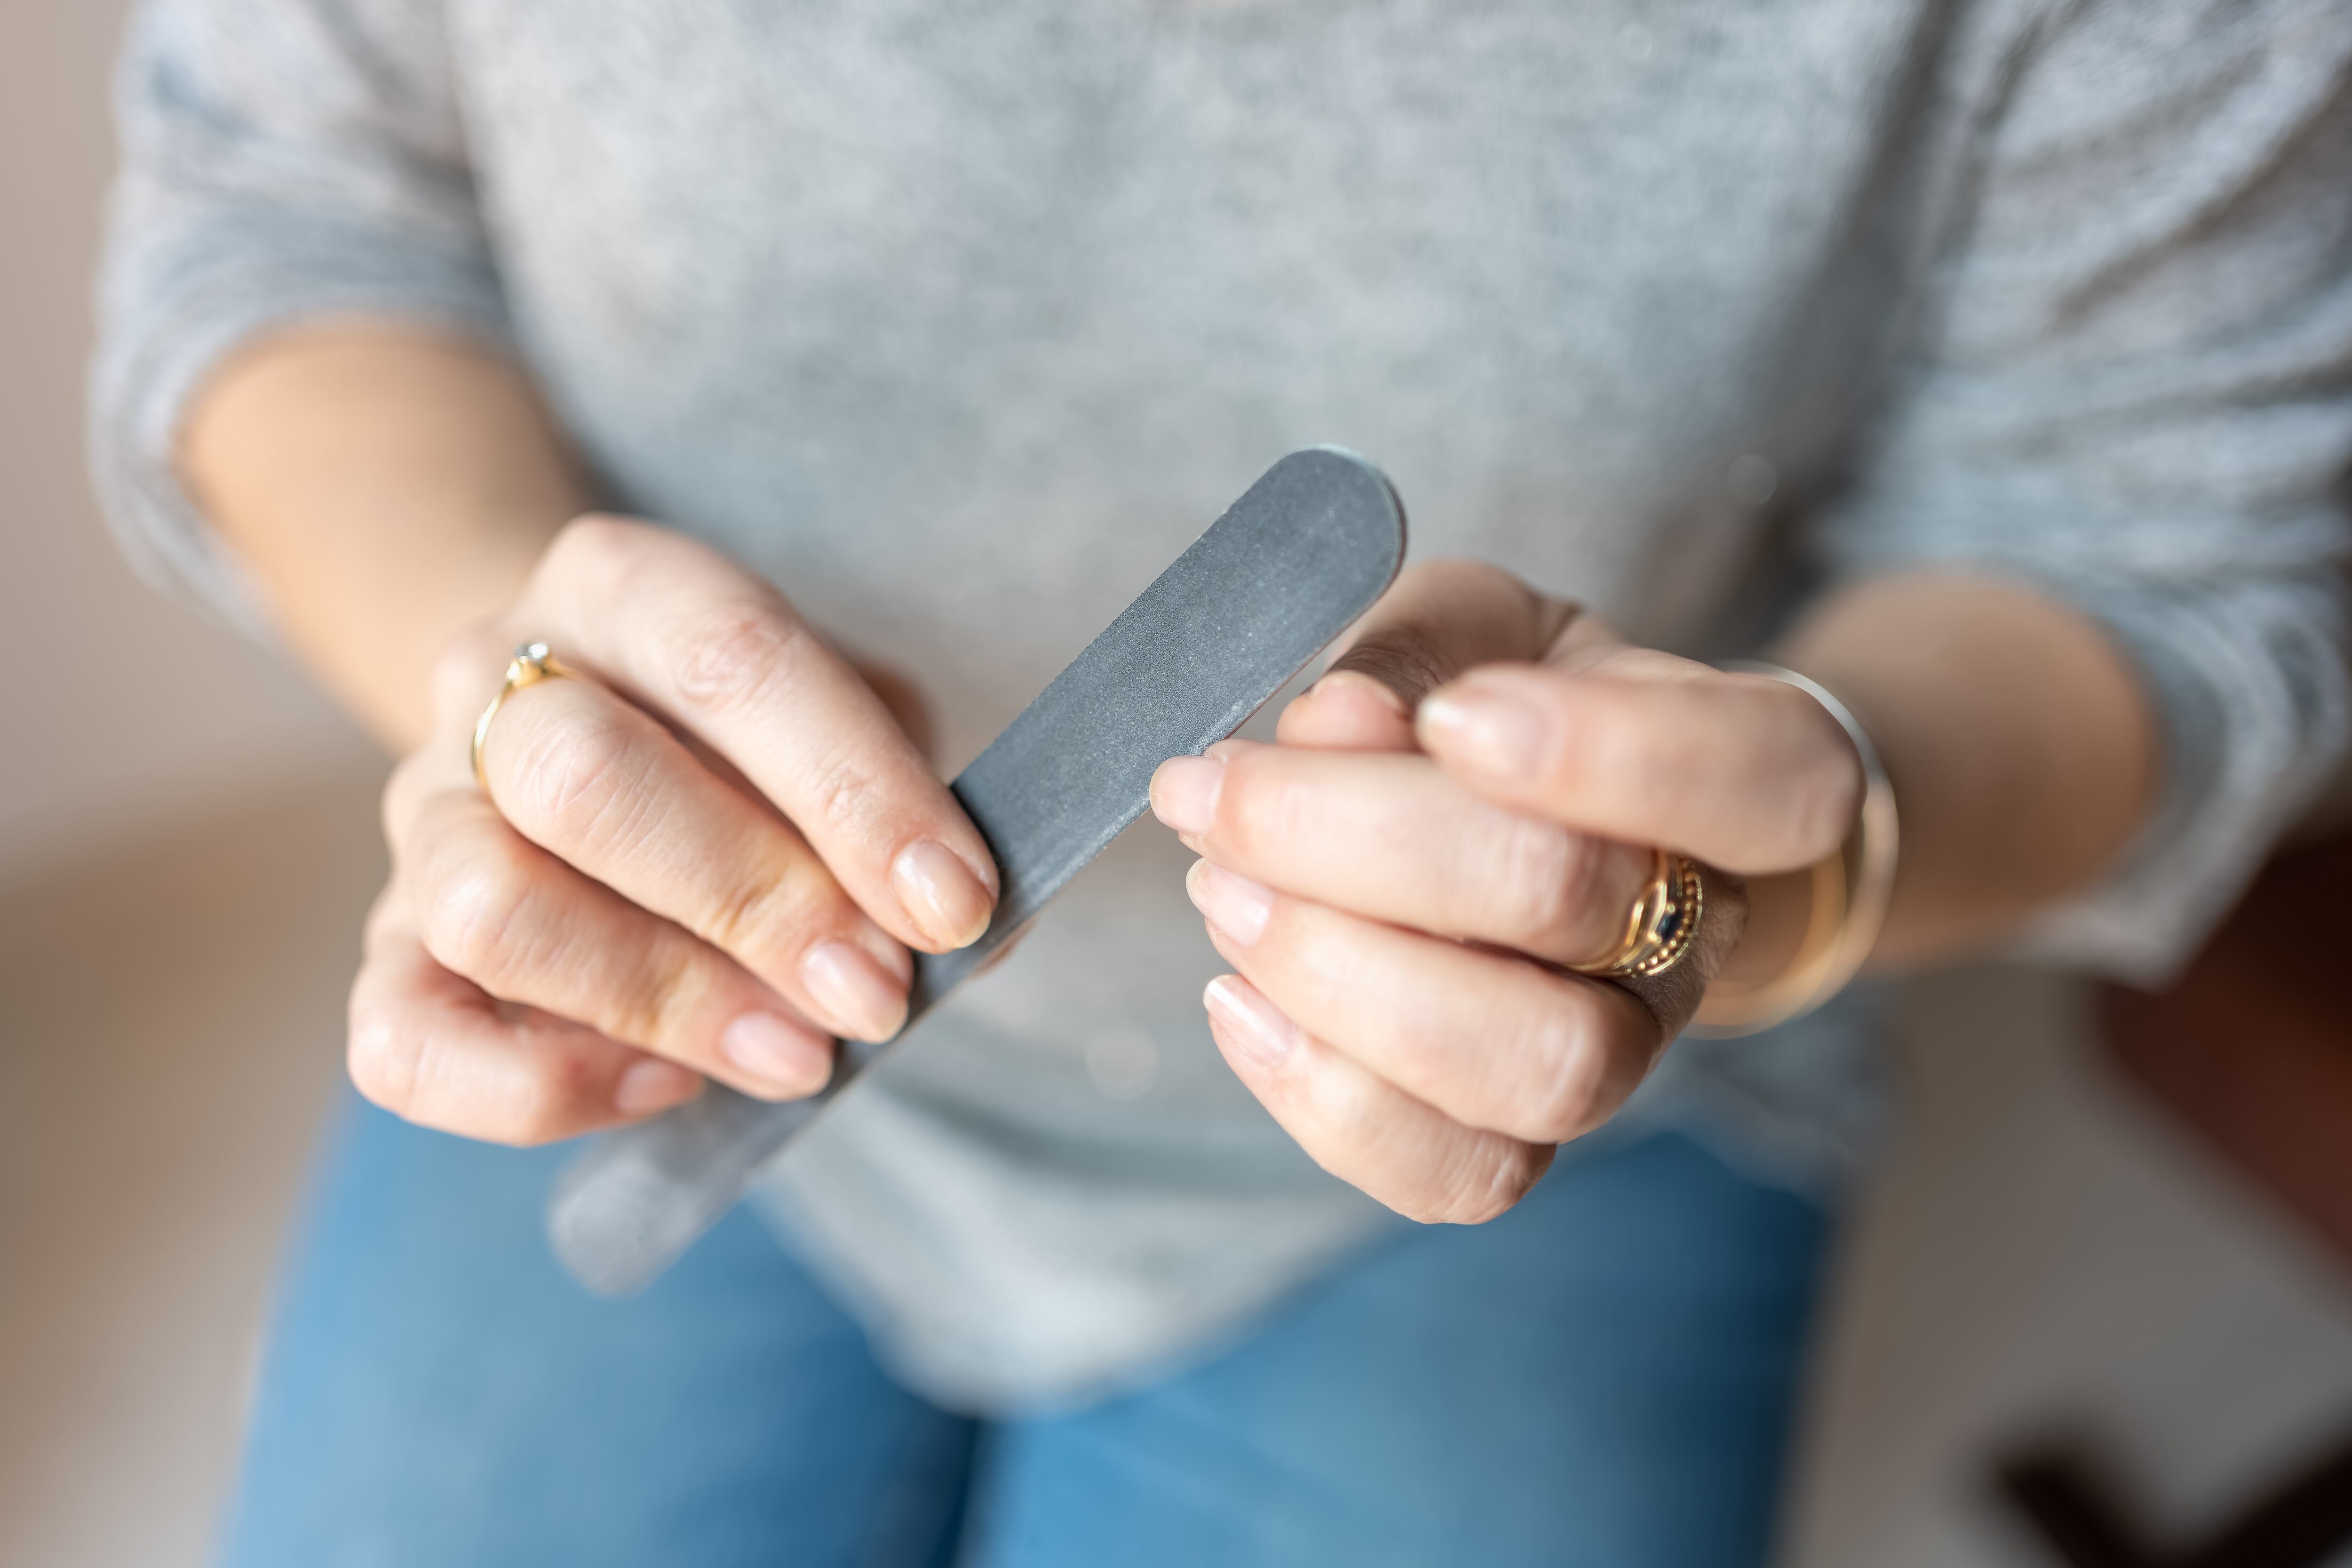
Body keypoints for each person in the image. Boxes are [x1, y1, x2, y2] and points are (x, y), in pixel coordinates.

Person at [91, 1, 2352, 1564]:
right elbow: (287, 207)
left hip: (1547, 1096)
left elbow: (2157, 555)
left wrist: (1748, 873)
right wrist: (509, 683)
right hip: (676, 1025)